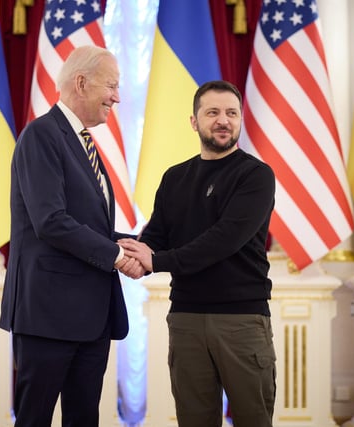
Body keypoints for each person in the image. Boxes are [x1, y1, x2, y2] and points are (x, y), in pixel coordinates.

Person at [0, 45, 144, 427]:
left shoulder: (83, 142)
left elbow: (87, 224)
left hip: (90, 316)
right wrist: (116, 255)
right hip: (48, 315)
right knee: (35, 419)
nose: (116, 96)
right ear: (81, 83)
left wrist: (140, 246)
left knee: (83, 420)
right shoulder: (41, 136)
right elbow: (51, 221)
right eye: (111, 85)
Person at [119, 80, 277, 427]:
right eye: (213, 112)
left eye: (232, 113)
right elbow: (157, 237)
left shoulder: (256, 175)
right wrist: (125, 253)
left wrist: (154, 261)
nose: (224, 120)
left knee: (254, 420)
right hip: (186, 319)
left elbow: (224, 240)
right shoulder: (175, 178)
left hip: (241, 322)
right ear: (194, 121)